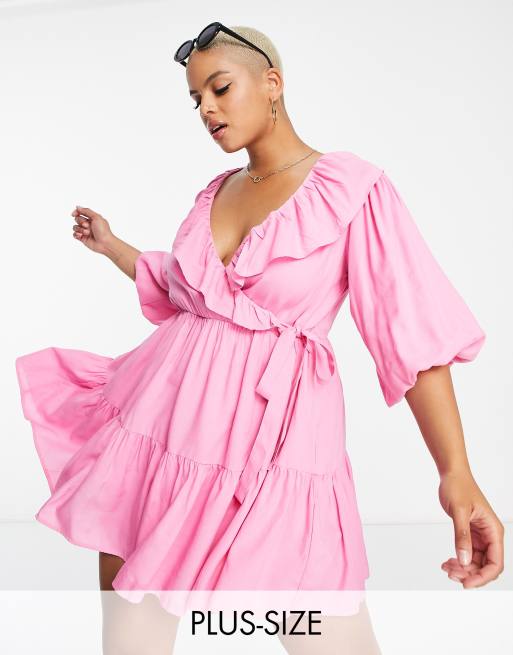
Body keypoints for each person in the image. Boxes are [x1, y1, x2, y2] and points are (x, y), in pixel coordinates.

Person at [15, 22, 503, 655]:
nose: (207, 109)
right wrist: (112, 246)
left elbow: (411, 332)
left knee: (323, 627)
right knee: (131, 635)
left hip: (276, 446)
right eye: (196, 99)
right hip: (158, 428)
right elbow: (191, 295)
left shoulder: (351, 189)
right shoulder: (215, 192)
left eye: (220, 88)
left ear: (272, 82)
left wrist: (455, 472)